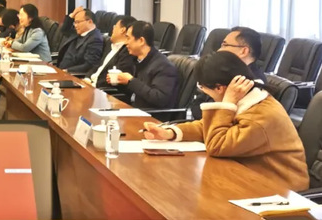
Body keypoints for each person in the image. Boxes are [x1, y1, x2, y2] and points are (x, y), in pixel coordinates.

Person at [143, 51, 309, 191]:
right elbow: (209, 126)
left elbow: (217, 145)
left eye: (202, 87)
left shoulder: (261, 116)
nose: (203, 92)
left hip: (280, 190)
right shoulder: (247, 100)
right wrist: (170, 133)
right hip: (247, 177)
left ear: (219, 88)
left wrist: (227, 104)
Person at [189, 26, 268, 119]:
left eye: (225, 45)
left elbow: (231, 120)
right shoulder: (223, 70)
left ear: (243, 51)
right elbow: (197, 104)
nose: (219, 50)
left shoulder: (252, 81)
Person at [111, 20, 179, 109]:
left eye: (128, 38)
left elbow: (159, 98)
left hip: (150, 115)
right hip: (133, 108)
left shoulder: (164, 66)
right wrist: (119, 82)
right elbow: (133, 92)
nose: (126, 42)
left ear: (141, 41)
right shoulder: (136, 60)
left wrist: (131, 81)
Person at [86, 15, 137, 87]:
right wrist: (87, 78)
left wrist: (93, 85)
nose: (113, 29)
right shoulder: (109, 44)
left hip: (100, 89)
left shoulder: (128, 53)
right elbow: (98, 65)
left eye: (115, 26)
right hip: (89, 84)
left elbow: (115, 80)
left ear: (122, 30)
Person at [54, 6, 104, 74]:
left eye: (78, 22)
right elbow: (64, 30)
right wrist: (72, 15)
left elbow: (89, 65)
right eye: (75, 22)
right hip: (60, 70)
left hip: (72, 74)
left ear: (89, 22)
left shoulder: (95, 39)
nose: (75, 25)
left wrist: (67, 71)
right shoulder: (78, 32)